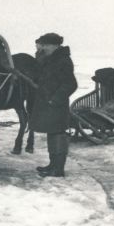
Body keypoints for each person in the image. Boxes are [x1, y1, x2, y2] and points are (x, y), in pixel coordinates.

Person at [30, 32, 78, 178]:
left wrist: (55, 99)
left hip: (57, 105)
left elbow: (71, 84)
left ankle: (58, 169)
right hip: (48, 103)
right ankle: (53, 165)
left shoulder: (63, 60)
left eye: (46, 45)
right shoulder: (50, 59)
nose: (43, 48)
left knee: (58, 134)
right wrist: (39, 54)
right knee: (52, 133)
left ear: (55, 46)